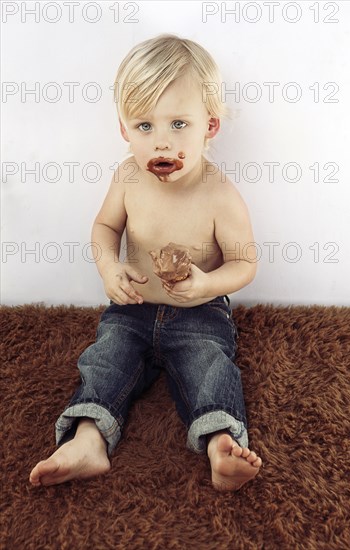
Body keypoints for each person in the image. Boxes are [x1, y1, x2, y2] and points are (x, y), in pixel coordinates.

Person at [29, 34, 262, 491]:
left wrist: (207, 284)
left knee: (210, 366)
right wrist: (109, 270)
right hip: (132, 310)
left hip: (199, 313)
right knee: (105, 360)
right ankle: (88, 438)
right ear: (123, 129)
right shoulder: (128, 177)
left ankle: (220, 443)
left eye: (179, 123)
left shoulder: (219, 193)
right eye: (144, 126)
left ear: (209, 125)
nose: (161, 142)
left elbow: (244, 262)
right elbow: (104, 230)